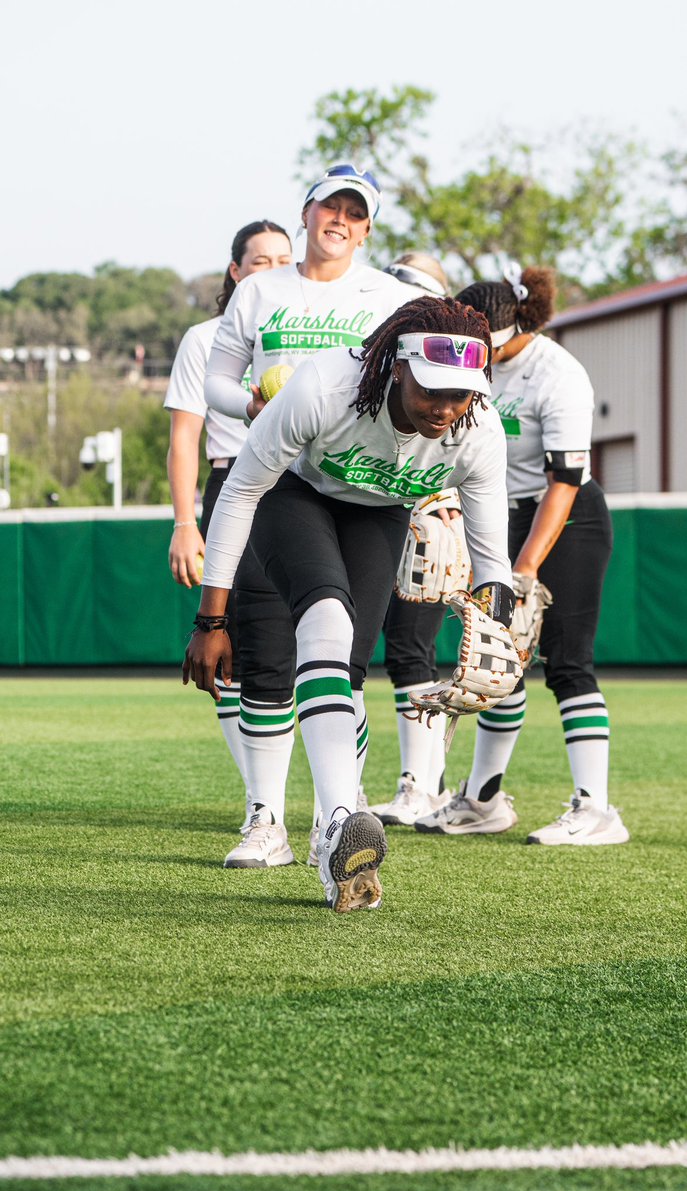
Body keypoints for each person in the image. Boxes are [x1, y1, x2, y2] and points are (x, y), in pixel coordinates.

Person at [183, 296, 515, 912]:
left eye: (461, 392)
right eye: (432, 390)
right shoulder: (323, 387)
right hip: (293, 494)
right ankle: (341, 819)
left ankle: (331, 828)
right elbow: (240, 492)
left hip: (378, 513)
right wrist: (212, 619)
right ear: (396, 366)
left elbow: (492, 559)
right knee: (326, 626)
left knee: (349, 676)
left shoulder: (478, 431)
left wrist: (500, 625)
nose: (446, 408)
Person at [202, 165, 417, 867]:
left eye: (356, 215)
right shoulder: (260, 289)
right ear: (307, 210)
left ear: (367, 228)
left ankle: (340, 812)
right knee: (266, 653)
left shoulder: (389, 294)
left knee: (344, 662)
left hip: (359, 486)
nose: (342, 222)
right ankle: (266, 819)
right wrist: (249, 406)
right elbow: (217, 376)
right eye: (333, 207)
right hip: (273, 479)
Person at [414, 265, 629, 845]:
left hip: (566, 518)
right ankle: (484, 800)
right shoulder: (469, 366)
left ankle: (597, 808)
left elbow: (565, 480)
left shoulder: (558, 374)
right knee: (496, 663)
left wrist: (526, 567)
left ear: (511, 329)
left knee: (567, 663)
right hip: (497, 516)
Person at [165, 220, 293, 793]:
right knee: (233, 644)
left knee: (319, 641)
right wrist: (185, 522)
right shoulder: (204, 338)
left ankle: (341, 795)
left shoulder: (307, 331)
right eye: (259, 260)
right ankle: (261, 798)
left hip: (301, 487)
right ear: (235, 271)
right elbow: (184, 437)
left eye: (283, 259)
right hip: (231, 486)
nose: (273, 268)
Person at [371, 253, 459, 826]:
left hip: (429, 510)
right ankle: (429, 783)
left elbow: (467, 448)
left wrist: (452, 514)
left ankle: (422, 785)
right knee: (380, 651)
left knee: (411, 652)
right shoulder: (380, 358)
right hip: (373, 512)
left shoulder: (452, 358)